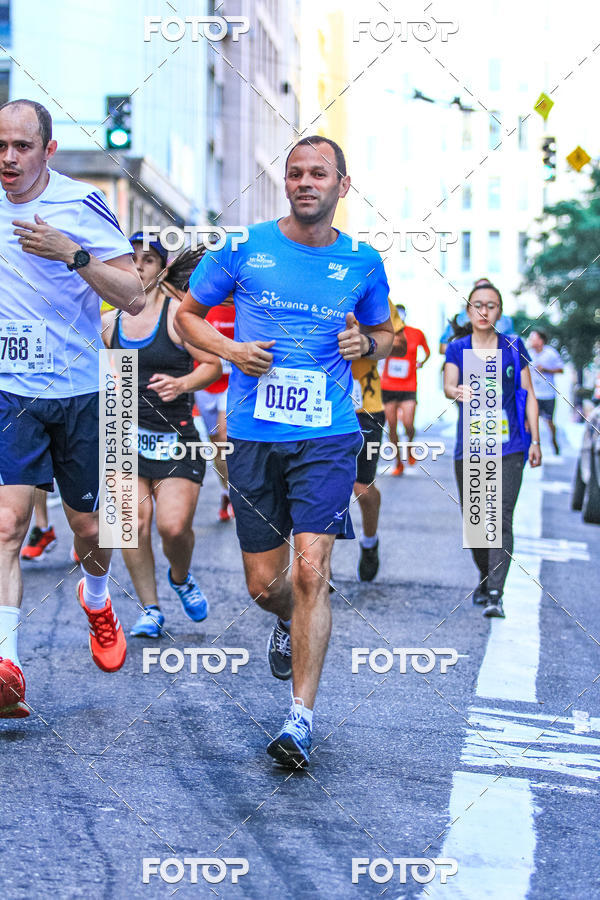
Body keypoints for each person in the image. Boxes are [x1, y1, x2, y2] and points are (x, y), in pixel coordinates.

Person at [175, 136, 393, 767]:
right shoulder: (243, 248)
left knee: (309, 573)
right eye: (295, 173)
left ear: (341, 187)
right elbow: (189, 315)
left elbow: (387, 331)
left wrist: (368, 346)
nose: (304, 182)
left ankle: (299, 719)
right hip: (253, 435)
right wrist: (229, 350)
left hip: (327, 434)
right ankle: (283, 619)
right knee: (264, 584)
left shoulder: (361, 261)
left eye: (318, 174)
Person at [0, 99, 144, 717]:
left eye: (22, 147)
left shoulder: (81, 204)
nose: (8, 158)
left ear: (48, 150)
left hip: (83, 391)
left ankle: (96, 596)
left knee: (92, 529)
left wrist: (72, 254)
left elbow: (134, 296)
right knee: (7, 525)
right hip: (12, 390)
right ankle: (7, 667)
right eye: (0, 146)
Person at [102, 236, 221, 638]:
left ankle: (181, 576)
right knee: (130, 523)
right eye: (130, 260)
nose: (137, 267)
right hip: (122, 433)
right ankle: (149, 609)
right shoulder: (108, 322)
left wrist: (182, 382)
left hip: (175, 434)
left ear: (161, 268)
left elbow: (213, 365)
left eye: (147, 260)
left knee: (173, 527)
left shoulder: (177, 317)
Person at [444, 282, 541, 619]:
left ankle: (496, 592)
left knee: (501, 518)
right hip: (471, 447)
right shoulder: (457, 348)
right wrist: (457, 392)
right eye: (477, 305)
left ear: (500, 312)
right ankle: (486, 579)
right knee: (476, 524)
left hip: (510, 445)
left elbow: (528, 395)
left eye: (492, 305)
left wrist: (536, 441)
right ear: (468, 311)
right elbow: (447, 384)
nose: (484, 311)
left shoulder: (513, 346)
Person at [351, 300, 405, 581]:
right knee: (320, 489)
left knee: (362, 487)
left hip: (365, 407)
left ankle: (369, 542)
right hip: (317, 407)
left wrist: (365, 340)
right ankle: (321, 567)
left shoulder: (376, 296)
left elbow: (401, 345)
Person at [194, 297, 236, 520]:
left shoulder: (244, 303)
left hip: (233, 383)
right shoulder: (201, 302)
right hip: (206, 382)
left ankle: (236, 492)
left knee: (224, 435)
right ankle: (226, 491)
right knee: (216, 446)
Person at [381, 304, 430, 475]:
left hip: (409, 386)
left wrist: (421, 363)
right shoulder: (385, 333)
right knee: (392, 426)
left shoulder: (416, 333)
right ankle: (397, 462)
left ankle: (409, 447)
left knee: (408, 424)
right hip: (387, 386)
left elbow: (427, 352)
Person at [439, 278, 514, 355]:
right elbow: (443, 347)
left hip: (497, 363)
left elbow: (513, 348)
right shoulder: (459, 319)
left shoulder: (506, 321)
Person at [527, 329, 563, 454]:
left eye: (533, 338)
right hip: (534, 394)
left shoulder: (551, 353)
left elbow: (561, 369)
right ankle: (531, 444)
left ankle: (554, 441)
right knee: (530, 420)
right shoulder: (528, 353)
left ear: (540, 340)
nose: (530, 340)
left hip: (548, 394)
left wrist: (546, 370)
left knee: (549, 422)